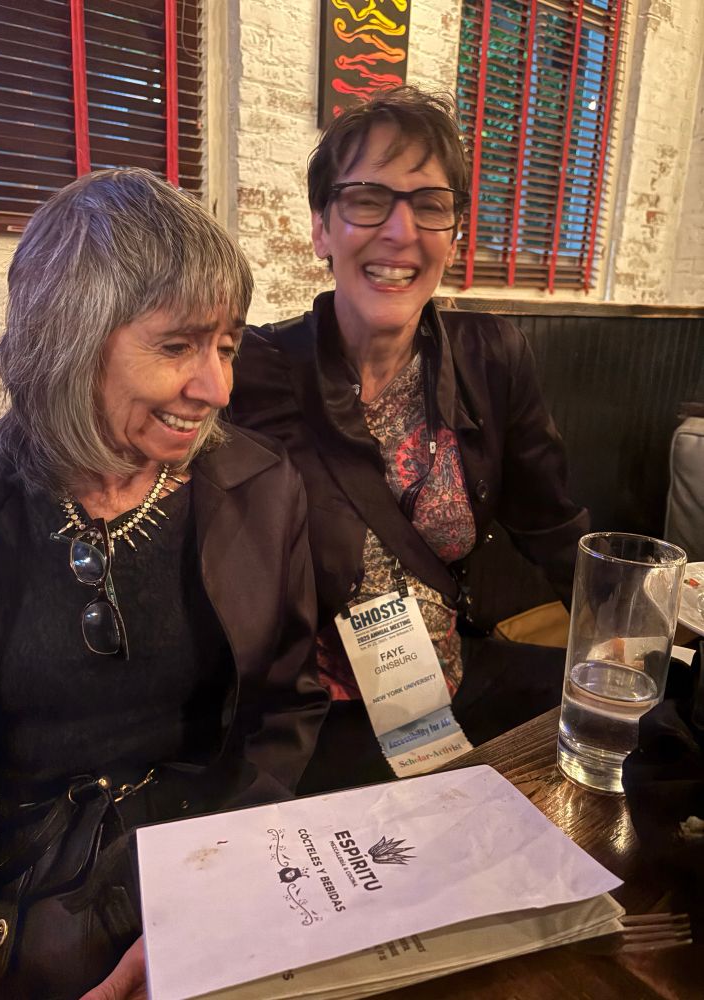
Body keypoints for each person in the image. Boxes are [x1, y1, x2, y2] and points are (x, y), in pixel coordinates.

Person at [0, 168, 327, 999]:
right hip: (22, 889)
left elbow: (285, 706)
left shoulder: (262, 488)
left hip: (216, 854)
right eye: (177, 346)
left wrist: (213, 896)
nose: (217, 387)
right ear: (68, 337)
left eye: (226, 345)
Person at [230, 86, 589, 791]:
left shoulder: (493, 357)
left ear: (453, 234)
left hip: (448, 690)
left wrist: (624, 637)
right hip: (311, 724)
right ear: (320, 228)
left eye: (430, 205)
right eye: (367, 199)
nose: (401, 232)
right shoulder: (250, 373)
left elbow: (555, 528)